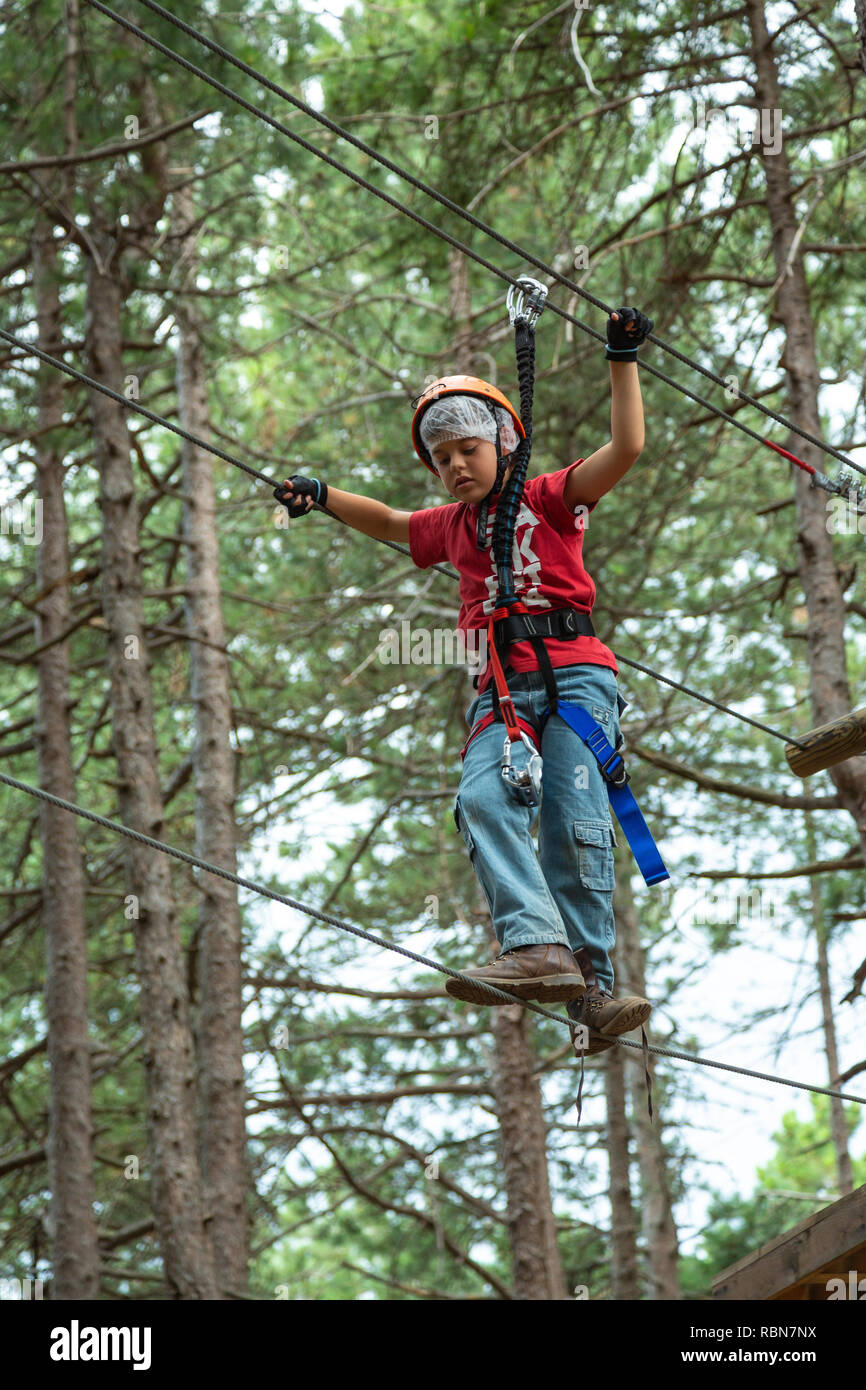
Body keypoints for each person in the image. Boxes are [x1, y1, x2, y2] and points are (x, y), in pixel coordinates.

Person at [275, 309, 654, 1052]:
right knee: (482, 797)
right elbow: (388, 520)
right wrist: (323, 497)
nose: (454, 466)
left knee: (571, 822)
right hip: (501, 694)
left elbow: (628, 446)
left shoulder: (549, 497)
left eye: (468, 449)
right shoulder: (451, 525)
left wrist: (620, 358)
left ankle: (593, 990)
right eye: (441, 457)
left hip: (576, 680)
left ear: (504, 443)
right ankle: (538, 949)